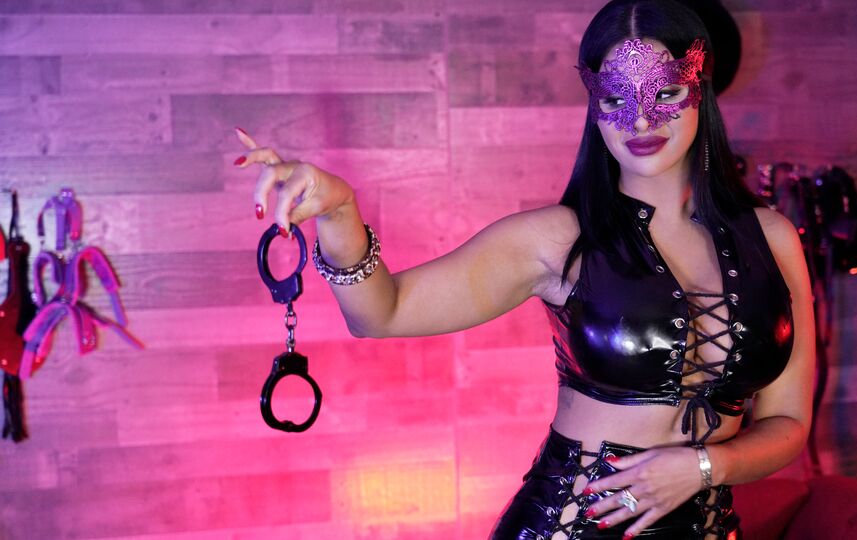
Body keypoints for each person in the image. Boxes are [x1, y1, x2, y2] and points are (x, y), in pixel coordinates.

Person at [234, 0, 814, 538]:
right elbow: (380, 314)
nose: (640, 120)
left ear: (700, 90)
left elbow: (788, 422)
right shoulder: (556, 239)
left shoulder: (772, 239)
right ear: (594, 105)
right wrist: (339, 212)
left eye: (664, 93)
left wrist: (706, 466)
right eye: (615, 99)